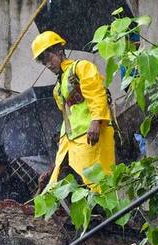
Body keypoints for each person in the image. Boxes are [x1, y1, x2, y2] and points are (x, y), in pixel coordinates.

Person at [31, 31, 116, 192]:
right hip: (70, 141)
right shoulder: (57, 88)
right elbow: (68, 115)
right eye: (44, 62)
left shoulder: (81, 67)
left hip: (90, 136)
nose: (48, 65)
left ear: (59, 50)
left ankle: (103, 212)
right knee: (57, 186)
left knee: (97, 184)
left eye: (48, 58)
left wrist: (96, 120)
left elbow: (96, 93)